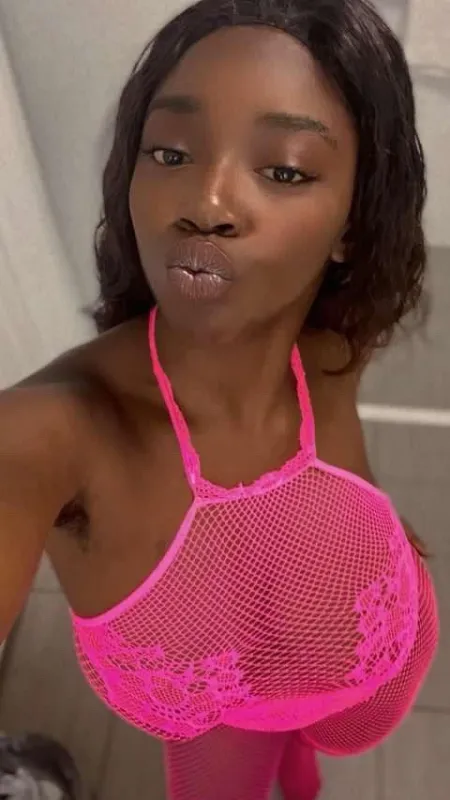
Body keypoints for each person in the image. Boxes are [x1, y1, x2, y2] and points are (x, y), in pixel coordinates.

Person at [0, 1, 439, 798]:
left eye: (285, 170)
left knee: (310, 759)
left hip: (380, 666)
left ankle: (299, 756)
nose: (206, 203)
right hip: (221, 726)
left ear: (352, 221)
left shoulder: (334, 343)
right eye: (170, 152)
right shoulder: (46, 436)